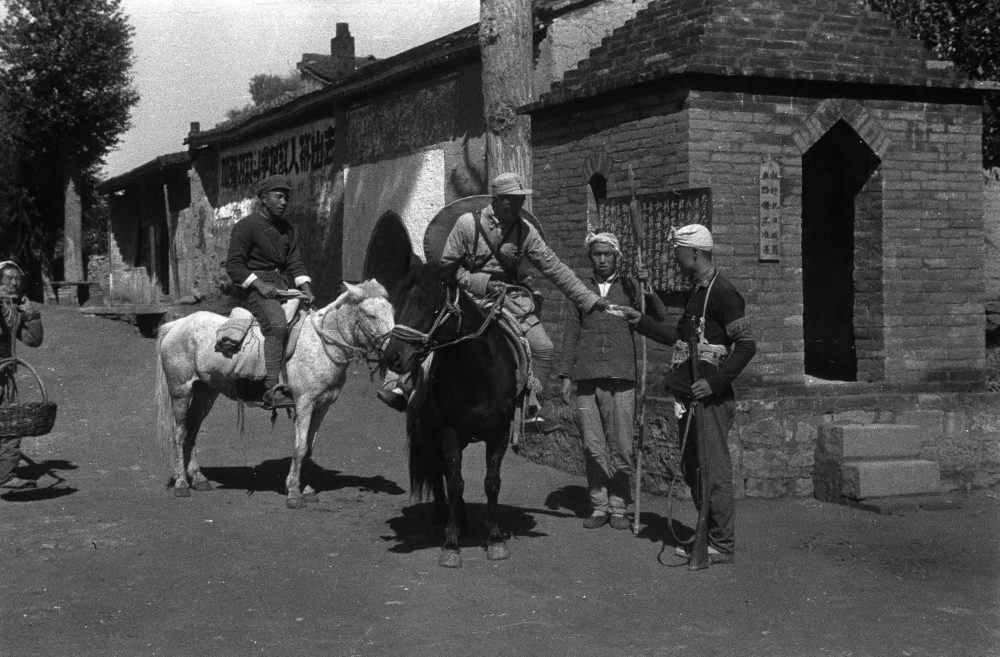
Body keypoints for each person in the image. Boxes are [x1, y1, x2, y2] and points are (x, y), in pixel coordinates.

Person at [377, 172, 611, 416]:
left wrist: (590, 300)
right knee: (434, 336)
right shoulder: (467, 224)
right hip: (467, 299)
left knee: (544, 348)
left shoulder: (526, 232)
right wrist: (482, 283)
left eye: (521, 200)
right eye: (512, 199)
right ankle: (403, 385)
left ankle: (531, 410)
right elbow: (446, 269)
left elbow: (557, 270)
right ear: (496, 200)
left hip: (511, 301)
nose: (518, 205)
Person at [619, 224, 755, 563]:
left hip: (709, 397)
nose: (674, 259)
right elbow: (679, 337)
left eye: (677, 252)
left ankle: (722, 545)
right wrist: (641, 322)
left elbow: (746, 345)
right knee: (696, 468)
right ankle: (706, 534)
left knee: (714, 469)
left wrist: (715, 382)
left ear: (693, 253)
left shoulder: (723, 292)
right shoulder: (697, 291)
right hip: (690, 395)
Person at [557, 232, 649, 530]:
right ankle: (599, 504)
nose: (603, 259)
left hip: (622, 377)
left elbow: (655, 315)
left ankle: (619, 506)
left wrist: (647, 287)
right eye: (597, 254)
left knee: (621, 445)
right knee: (593, 445)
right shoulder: (580, 289)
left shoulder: (630, 286)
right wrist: (566, 375)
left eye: (608, 254)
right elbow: (571, 331)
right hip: (586, 378)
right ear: (590, 257)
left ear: (617, 256)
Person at [225, 175, 315, 410]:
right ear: (264, 199)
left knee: (312, 324)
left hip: (283, 288)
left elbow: (295, 263)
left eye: (286, 197)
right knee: (277, 325)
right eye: (279, 196)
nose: (284, 202)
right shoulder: (246, 226)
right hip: (256, 291)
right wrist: (258, 284)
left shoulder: (287, 230)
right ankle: (270, 389)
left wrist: (306, 289)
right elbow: (234, 265)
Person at [0, 260, 43, 490]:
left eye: (17, 279)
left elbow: (33, 340)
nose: (14, 283)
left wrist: (31, 317)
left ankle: (5, 475)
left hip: (4, 375)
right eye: (8, 278)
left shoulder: (12, 309)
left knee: (10, 422)